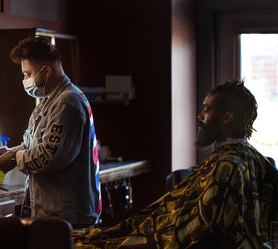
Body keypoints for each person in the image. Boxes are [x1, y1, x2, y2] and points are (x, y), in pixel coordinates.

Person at [73, 79, 278, 248]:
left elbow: (195, 232)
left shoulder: (227, 167)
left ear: (228, 117)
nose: (200, 116)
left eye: (206, 110)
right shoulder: (256, 160)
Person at [0, 37, 102, 228]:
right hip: (50, 213)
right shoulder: (48, 103)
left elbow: (49, 156)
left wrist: (13, 159)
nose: (24, 80)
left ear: (46, 71)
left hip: (67, 216)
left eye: (27, 74)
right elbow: (29, 146)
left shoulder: (67, 103)